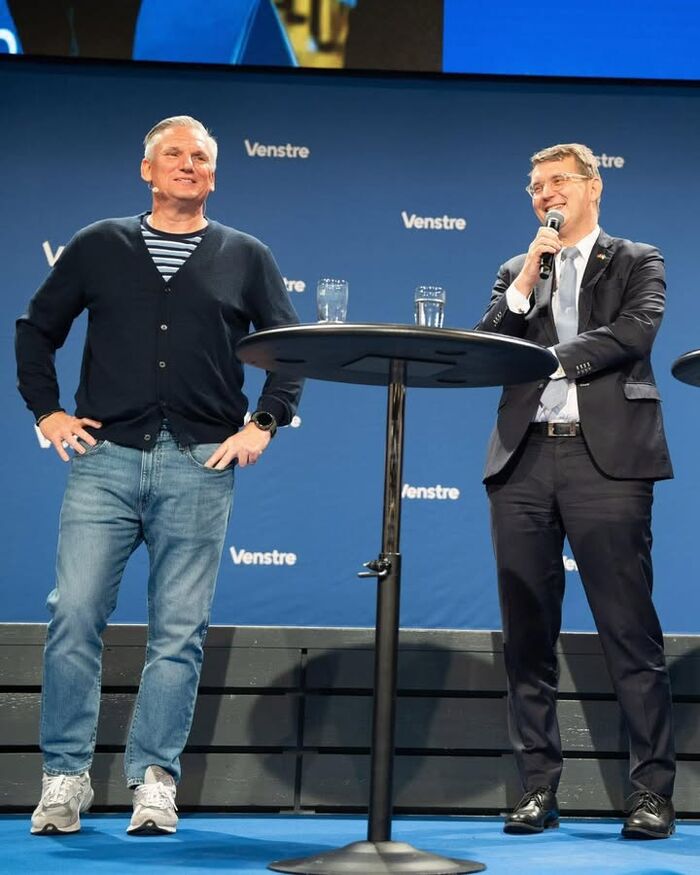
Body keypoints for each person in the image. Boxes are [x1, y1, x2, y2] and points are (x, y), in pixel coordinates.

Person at [15, 115, 303, 836]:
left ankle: (155, 780)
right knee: (74, 614)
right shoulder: (98, 244)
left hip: (201, 464)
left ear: (214, 175)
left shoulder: (246, 255)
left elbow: (290, 348)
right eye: (172, 154)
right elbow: (35, 330)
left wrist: (263, 423)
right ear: (147, 170)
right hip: (104, 460)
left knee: (179, 630)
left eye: (199, 156)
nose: (186, 164)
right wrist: (48, 411)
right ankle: (64, 776)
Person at [476, 143, 675, 839]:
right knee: (527, 634)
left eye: (557, 180)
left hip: (607, 462)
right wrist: (527, 277)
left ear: (593, 187)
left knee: (628, 630)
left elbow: (633, 334)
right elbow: (486, 346)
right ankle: (537, 787)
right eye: (534, 186)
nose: (544, 193)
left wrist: (546, 359)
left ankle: (651, 792)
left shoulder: (637, 260)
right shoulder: (517, 269)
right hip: (524, 459)